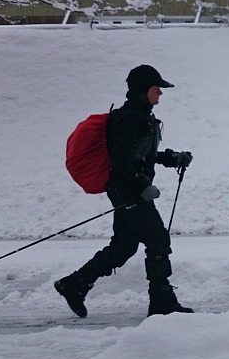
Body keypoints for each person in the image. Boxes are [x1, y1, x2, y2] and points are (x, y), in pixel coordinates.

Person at [55, 64, 195, 317]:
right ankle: (162, 303)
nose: (160, 94)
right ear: (144, 90)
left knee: (124, 245)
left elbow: (139, 154)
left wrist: (171, 158)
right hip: (128, 190)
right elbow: (120, 158)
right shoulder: (131, 117)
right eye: (157, 89)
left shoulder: (140, 115)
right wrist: (142, 184)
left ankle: (75, 284)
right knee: (158, 240)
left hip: (127, 188)